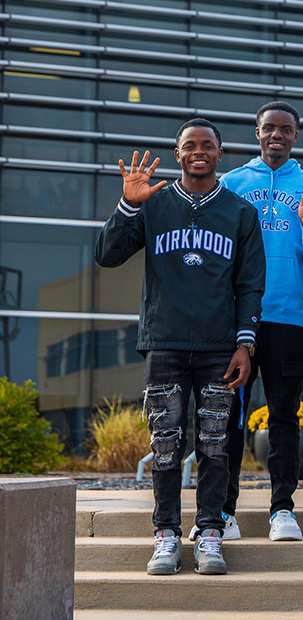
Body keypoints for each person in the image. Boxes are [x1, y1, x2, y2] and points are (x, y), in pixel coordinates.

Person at [94, 118, 265, 576]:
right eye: (190, 145)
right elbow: (105, 254)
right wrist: (128, 205)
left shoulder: (240, 212)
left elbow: (250, 285)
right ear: (178, 154)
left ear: (220, 154)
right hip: (164, 342)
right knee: (166, 445)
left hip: (217, 347)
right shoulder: (153, 203)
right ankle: (166, 535)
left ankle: (209, 532)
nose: (199, 151)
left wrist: (244, 344)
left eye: (207, 144)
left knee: (214, 446)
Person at [218, 100, 303, 542]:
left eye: (286, 129)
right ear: (257, 132)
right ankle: (223, 512)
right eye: (270, 128)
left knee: (284, 418)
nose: (277, 135)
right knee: (226, 417)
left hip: (287, 318)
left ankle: (282, 510)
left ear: (295, 136)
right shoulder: (231, 184)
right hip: (235, 322)